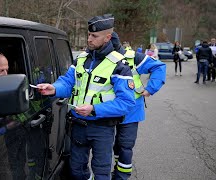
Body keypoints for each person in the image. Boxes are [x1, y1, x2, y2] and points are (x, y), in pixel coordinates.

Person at [37, 14, 136, 180]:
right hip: (78, 126)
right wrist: (53, 88)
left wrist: (94, 109)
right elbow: (68, 83)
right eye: (89, 35)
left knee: (101, 171)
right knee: (76, 169)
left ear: (108, 37)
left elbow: (126, 103)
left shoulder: (119, 65)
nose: (89, 39)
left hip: (102, 128)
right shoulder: (81, 59)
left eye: (94, 36)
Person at [110, 32, 166, 180]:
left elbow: (159, 67)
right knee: (115, 145)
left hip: (131, 110)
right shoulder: (98, 57)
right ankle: (117, 167)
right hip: (108, 109)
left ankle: (121, 175)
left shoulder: (133, 57)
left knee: (125, 145)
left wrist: (150, 89)